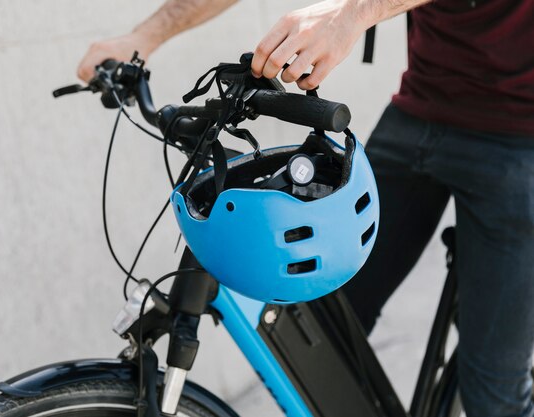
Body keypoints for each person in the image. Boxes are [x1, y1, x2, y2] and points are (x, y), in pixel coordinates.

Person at [77, 1, 534, 416]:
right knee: (324, 327)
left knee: (494, 394)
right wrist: (143, 37)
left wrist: (350, 15)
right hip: (421, 113)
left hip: (520, 139)